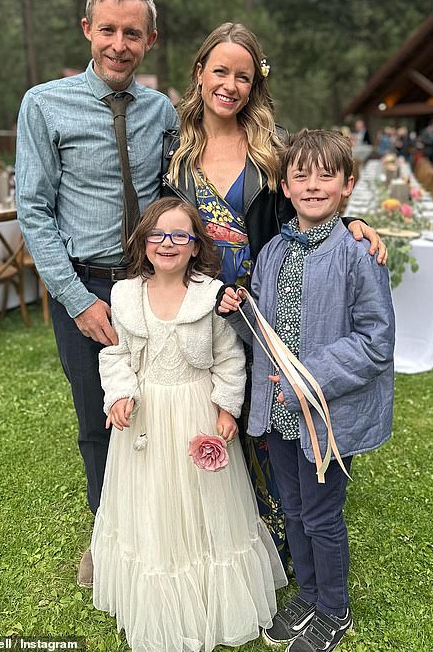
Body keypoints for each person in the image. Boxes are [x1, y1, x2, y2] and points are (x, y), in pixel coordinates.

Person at [163, 22, 387, 564]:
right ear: (200, 74)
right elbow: (161, 225)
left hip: (265, 308)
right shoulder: (172, 150)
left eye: (243, 75)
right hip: (198, 304)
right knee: (210, 413)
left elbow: (308, 206)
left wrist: (354, 224)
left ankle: (282, 533)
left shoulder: (275, 147)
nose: (230, 85)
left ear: (255, 83)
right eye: (220, 71)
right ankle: (217, 531)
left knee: (268, 419)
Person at [15, 0, 178, 586]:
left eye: (131, 33)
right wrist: (78, 300)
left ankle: (158, 523)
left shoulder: (161, 112)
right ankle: (107, 531)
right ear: (88, 30)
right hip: (83, 285)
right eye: (107, 30)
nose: (118, 44)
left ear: (149, 40)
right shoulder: (44, 104)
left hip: (152, 282)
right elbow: (34, 210)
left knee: (160, 408)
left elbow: (190, 188)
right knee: (99, 416)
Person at [218, 128, 395, 652]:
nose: (313, 185)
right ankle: (309, 594)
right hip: (279, 413)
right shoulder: (272, 251)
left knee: (321, 514)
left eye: (326, 175)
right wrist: (239, 314)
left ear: (347, 185)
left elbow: (375, 343)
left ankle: (334, 609)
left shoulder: (357, 252)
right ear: (285, 185)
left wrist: (306, 377)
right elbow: (266, 329)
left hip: (324, 415)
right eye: (301, 175)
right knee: (292, 509)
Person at [91, 197, 287, 652]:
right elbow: (115, 354)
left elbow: (229, 358)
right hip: (147, 419)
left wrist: (224, 407)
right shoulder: (124, 295)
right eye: (158, 234)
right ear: (143, 241)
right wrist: (120, 394)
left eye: (181, 235)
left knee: (202, 505)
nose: (168, 243)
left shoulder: (209, 296)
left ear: (196, 245)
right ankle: (158, 595)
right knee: (154, 500)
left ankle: (209, 593)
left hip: (196, 411)